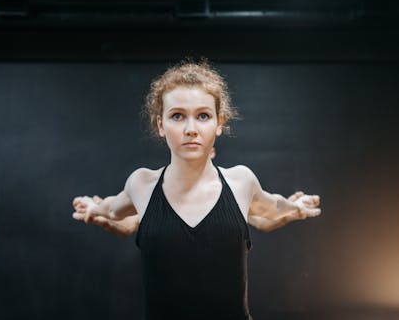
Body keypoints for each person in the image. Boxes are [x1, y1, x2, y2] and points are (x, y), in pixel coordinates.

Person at [72, 59, 321, 320]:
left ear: (219, 123)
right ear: (160, 125)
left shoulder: (241, 182)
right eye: (177, 116)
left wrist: (296, 207)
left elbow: (272, 207)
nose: (191, 130)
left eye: (203, 116)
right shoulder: (142, 184)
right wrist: (94, 207)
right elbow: (112, 208)